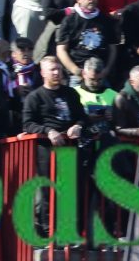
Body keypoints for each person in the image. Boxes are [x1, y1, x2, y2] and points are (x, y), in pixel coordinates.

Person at [22, 56, 86, 239]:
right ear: (42, 73)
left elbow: (82, 116)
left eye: (58, 69)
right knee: (47, 192)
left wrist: (78, 125)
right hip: (46, 149)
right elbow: (27, 124)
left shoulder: (71, 94)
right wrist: (47, 131)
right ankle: (48, 233)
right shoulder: (34, 97)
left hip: (70, 146)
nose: (57, 72)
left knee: (71, 191)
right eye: (52, 69)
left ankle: (68, 232)